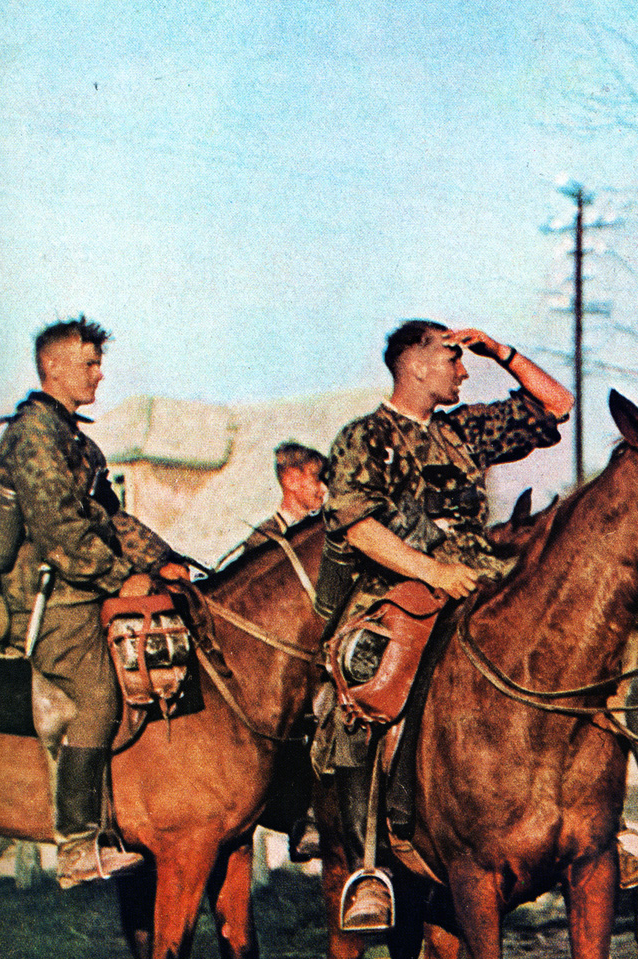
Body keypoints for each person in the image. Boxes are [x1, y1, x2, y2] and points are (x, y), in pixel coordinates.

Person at [317, 320, 572, 928]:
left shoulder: (463, 430)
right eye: (454, 358)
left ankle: (582, 828)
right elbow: (357, 526)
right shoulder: (363, 437)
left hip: (480, 587)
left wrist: (500, 350)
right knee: (371, 694)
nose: (464, 370)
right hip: (398, 593)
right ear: (415, 363)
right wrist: (431, 572)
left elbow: (557, 405)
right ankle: (368, 867)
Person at [0, 317, 180, 887]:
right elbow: (59, 529)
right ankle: (76, 842)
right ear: (54, 368)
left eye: (99, 363)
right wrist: (123, 577)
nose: (100, 375)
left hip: (80, 585)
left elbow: (109, 517)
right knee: (97, 693)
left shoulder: (75, 439)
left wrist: (163, 559)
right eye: (89, 364)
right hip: (48, 598)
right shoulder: (35, 436)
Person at [243, 441, 327, 551]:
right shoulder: (263, 539)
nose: (324, 489)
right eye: (316, 478)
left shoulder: (324, 523)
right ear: (291, 480)